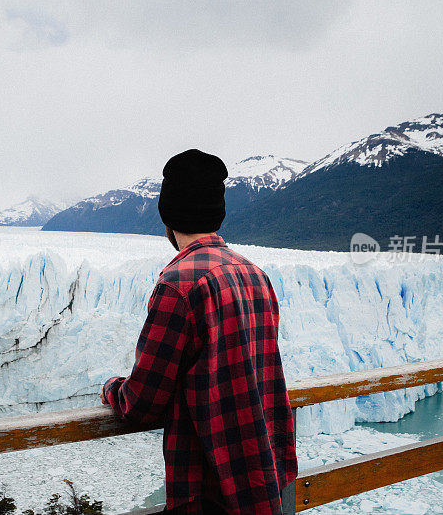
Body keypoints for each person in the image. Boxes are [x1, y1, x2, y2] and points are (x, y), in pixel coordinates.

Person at [100, 149, 297, 514]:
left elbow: (142, 402)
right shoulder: (254, 274)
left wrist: (112, 387)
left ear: (168, 218)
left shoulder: (178, 285)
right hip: (262, 475)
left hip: (210, 486)